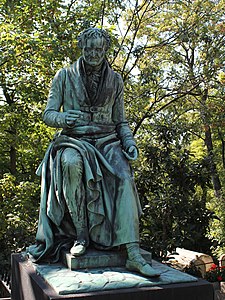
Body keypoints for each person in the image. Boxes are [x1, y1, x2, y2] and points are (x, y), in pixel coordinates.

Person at [28, 27, 160, 278]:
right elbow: (48, 114)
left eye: (99, 49)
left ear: (105, 49)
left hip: (107, 141)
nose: (94, 53)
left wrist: (129, 143)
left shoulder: (116, 80)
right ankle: (81, 234)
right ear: (81, 47)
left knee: (124, 176)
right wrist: (63, 118)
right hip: (73, 141)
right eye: (89, 48)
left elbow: (121, 121)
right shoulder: (64, 76)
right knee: (70, 165)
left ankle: (132, 253)